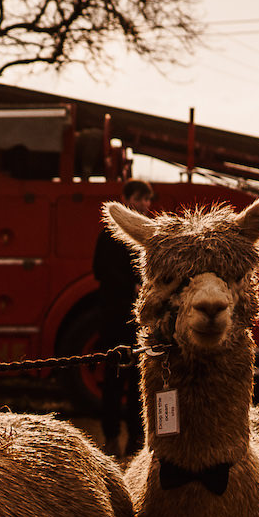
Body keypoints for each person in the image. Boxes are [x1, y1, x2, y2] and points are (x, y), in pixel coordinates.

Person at [93, 177, 151, 457]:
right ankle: (112, 437)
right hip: (116, 317)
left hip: (138, 322)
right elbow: (100, 270)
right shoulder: (108, 234)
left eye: (147, 199)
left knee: (140, 383)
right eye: (139, 198)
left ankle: (137, 439)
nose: (144, 204)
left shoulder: (146, 235)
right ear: (127, 198)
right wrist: (132, 285)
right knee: (115, 382)